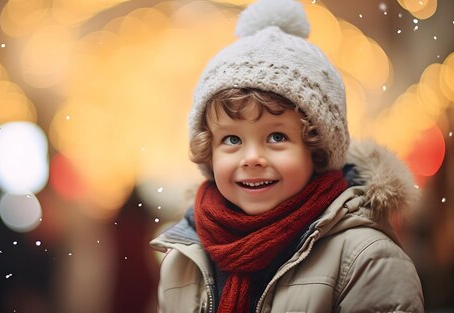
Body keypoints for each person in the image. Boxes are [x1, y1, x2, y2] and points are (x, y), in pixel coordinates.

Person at [149, 0, 425, 312]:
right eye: (232, 139)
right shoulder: (184, 259)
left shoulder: (366, 260)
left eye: (277, 137)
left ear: (316, 150)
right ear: (208, 153)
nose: (252, 158)